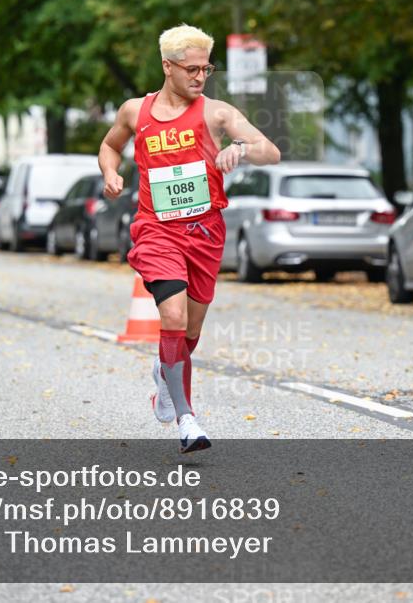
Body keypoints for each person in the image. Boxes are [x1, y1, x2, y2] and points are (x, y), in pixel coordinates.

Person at [98, 24, 280, 453]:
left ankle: (166, 371)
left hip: (205, 233)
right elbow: (110, 146)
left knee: (190, 330)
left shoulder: (216, 113)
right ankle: (187, 419)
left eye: (206, 69)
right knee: (174, 317)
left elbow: (270, 150)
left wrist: (241, 150)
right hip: (156, 230)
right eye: (192, 69)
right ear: (167, 66)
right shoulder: (133, 112)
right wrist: (110, 172)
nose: (200, 77)